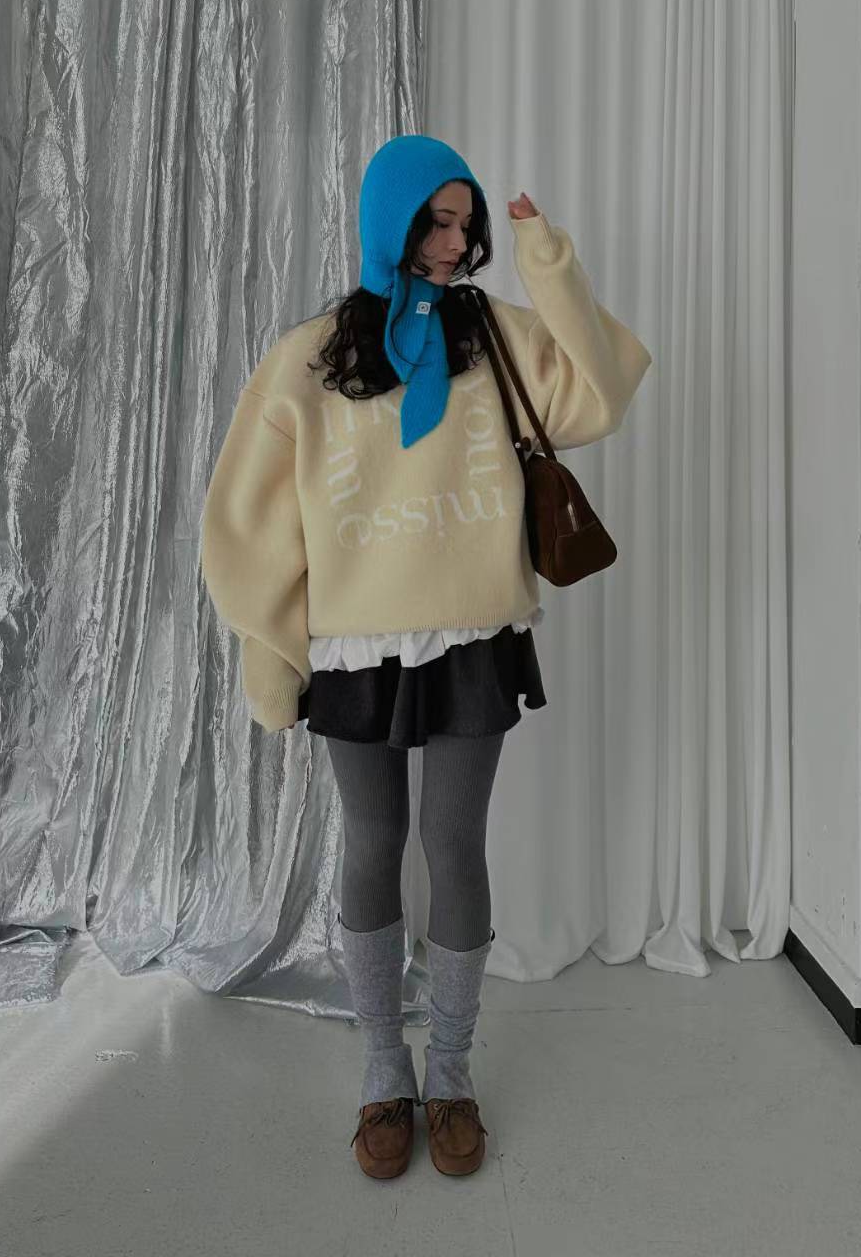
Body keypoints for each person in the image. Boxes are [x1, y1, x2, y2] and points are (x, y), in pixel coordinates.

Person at [200, 134, 652, 1179]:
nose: (454, 242)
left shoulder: (494, 332)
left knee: (455, 845)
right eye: (436, 221)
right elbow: (247, 522)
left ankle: (449, 1072)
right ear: (390, 221)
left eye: (466, 222)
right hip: (356, 641)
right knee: (372, 842)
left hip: (470, 632)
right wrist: (273, 647)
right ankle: (381, 1072)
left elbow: (603, 388)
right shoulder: (309, 356)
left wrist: (547, 260)